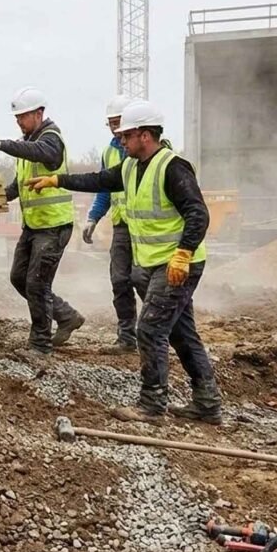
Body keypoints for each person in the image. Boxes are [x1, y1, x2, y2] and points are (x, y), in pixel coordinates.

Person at [26, 99, 222, 425]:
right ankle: (207, 404)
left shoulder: (173, 167)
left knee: (150, 330)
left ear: (145, 135)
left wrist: (184, 253)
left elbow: (198, 213)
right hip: (154, 264)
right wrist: (58, 180)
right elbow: (99, 180)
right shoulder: (131, 167)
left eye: (126, 136)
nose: (120, 141)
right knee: (182, 334)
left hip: (177, 265)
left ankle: (152, 406)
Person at [0, 87, 85, 356]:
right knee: (18, 278)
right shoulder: (30, 144)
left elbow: (40, 152)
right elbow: (18, 186)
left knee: (37, 284)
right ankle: (66, 316)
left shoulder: (50, 139)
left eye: (22, 116)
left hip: (53, 226)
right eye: (17, 118)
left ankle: (40, 345)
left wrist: (0, 144)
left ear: (39, 113)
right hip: (34, 227)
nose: (19, 122)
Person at [83, 94, 137, 352]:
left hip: (148, 227)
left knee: (147, 281)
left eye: (118, 123)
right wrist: (93, 217)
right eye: (111, 124)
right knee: (120, 280)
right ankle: (127, 338)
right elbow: (104, 188)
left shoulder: (146, 147)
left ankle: (160, 335)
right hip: (122, 227)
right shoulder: (108, 152)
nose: (115, 130)